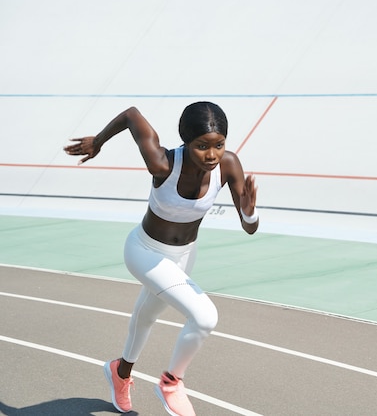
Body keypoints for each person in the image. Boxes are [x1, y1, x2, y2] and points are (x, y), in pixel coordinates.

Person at [64, 102, 259, 416]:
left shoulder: (228, 165)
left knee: (146, 318)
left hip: (184, 256)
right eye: (201, 147)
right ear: (185, 142)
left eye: (218, 145)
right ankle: (171, 383)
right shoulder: (163, 164)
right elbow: (131, 115)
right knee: (205, 317)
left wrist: (249, 211)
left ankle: (120, 373)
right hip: (145, 252)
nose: (211, 155)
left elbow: (250, 228)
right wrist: (98, 142)